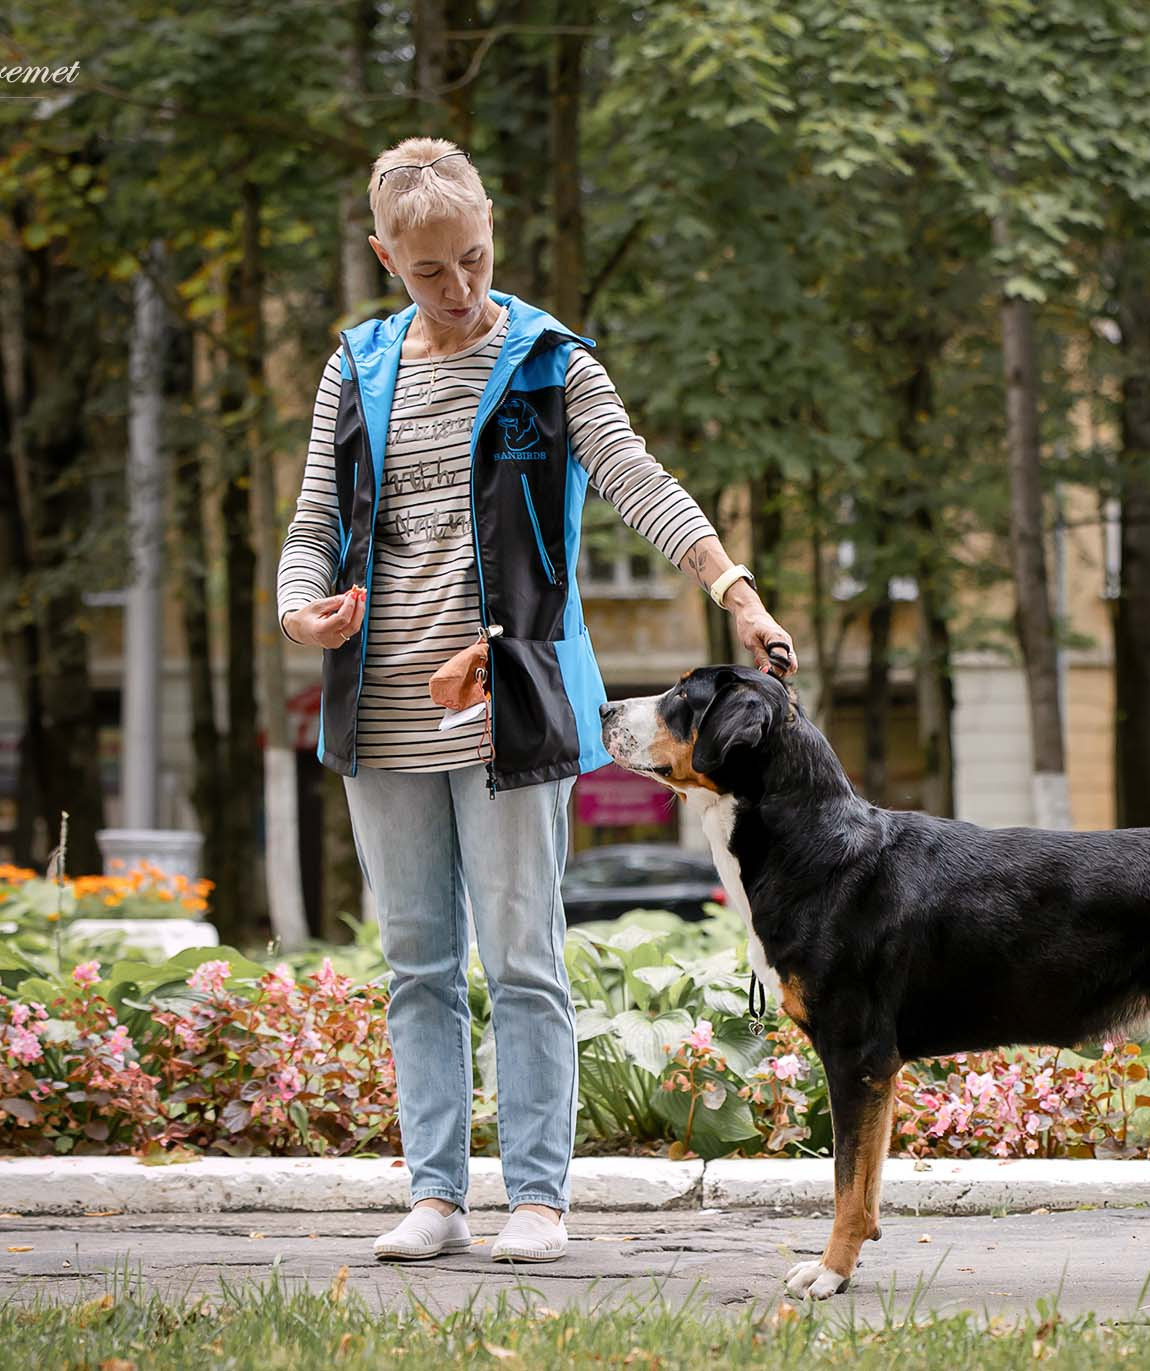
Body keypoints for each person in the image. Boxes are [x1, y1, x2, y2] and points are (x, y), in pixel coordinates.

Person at [277, 136, 795, 1264]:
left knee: (521, 956)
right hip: (383, 709)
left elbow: (636, 478)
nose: (458, 289)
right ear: (382, 256)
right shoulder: (353, 367)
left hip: (516, 703)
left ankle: (538, 1200)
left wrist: (733, 590)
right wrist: (296, 609)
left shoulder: (551, 361)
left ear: (491, 230)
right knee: (415, 958)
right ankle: (433, 1196)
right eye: (429, 272)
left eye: (473, 258)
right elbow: (314, 521)